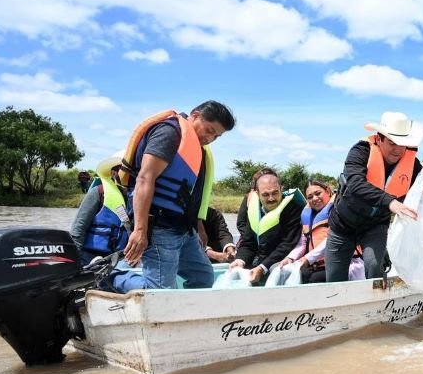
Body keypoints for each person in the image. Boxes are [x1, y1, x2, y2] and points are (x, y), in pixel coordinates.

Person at [110, 100, 236, 292]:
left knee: (203, 277)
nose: (210, 138)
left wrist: (198, 226)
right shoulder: (169, 133)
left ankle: (184, 310)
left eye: (216, 136)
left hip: (184, 229)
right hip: (159, 226)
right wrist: (140, 230)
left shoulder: (196, 149)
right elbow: (145, 178)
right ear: (195, 115)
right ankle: (110, 276)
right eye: (209, 130)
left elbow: (189, 195)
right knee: (160, 291)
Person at [324, 112, 423, 282]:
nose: (398, 150)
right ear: (379, 139)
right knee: (334, 279)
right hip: (343, 225)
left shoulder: (412, 164)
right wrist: (390, 202)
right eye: (392, 143)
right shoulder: (360, 151)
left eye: (403, 145)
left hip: (375, 226)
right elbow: (355, 183)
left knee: (374, 267)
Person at [279, 180, 364, 283]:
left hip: (348, 264)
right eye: (310, 197)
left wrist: (307, 259)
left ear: (327, 191)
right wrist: (290, 258)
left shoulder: (340, 210)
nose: (315, 199)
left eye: (318, 193)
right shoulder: (308, 216)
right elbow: (302, 244)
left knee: (310, 280)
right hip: (319, 266)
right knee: (287, 273)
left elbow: (333, 240)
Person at [230, 170, 304, 284]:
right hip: (260, 259)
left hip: (282, 260)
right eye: (265, 194)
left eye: (275, 193)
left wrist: (262, 267)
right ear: (257, 194)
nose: (271, 198)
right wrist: (240, 260)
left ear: (281, 189)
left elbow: (287, 245)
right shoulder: (255, 211)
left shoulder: (293, 209)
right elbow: (248, 242)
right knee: (236, 270)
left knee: (276, 270)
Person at [70, 151, 130, 267]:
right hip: (89, 258)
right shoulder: (98, 193)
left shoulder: (140, 199)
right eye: (126, 171)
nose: (131, 175)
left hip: (120, 260)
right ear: (114, 173)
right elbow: (78, 230)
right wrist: (75, 264)